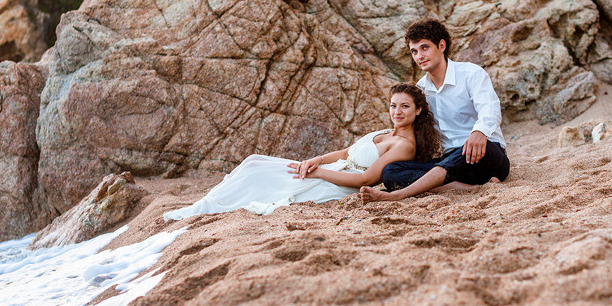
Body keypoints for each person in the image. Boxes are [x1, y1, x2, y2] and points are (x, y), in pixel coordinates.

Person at [163, 84, 441, 219]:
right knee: (253, 160)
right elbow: (346, 151)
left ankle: (205, 208)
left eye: (404, 106)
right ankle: (206, 202)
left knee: (254, 173)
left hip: (338, 184)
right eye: (393, 105)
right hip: (330, 169)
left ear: (417, 110)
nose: (397, 112)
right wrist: (316, 159)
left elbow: (365, 179)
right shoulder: (384, 132)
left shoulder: (404, 145)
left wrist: (318, 171)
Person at [360, 18, 510, 204]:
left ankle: (397, 196)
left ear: (441, 45)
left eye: (425, 48)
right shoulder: (421, 89)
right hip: (450, 164)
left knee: (474, 149)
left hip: (486, 155)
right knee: (391, 172)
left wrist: (479, 132)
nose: (419, 56)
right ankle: (469, 188)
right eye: (414, 51)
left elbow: (490, 108)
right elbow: (412, 127)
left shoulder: (471, 74)